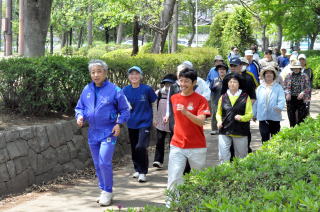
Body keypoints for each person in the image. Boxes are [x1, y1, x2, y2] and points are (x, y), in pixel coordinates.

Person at [75, 59, 130, 206]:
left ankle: (108, 191)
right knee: (97, 163)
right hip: (93, 132)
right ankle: (103, 189)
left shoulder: (115, 90)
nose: (96, 75)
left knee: (104, 161)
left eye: (99, 71)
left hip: (109, 132)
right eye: (93, 72)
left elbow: (125, 110)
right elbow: (79, 107)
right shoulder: (86, 89)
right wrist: (79, 116)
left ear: (105, 72)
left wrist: (119, 124)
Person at [166, 67, 210, 207]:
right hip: (177, 144)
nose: (183, 84)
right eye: (181, 81)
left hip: (197, 145)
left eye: (186, 81)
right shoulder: (174, 98)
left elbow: (201, 121)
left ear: (194, 82)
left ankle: (197, 205)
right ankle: (172, 205)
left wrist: (186, 112)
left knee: (198, 178)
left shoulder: (201, 100)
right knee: (174, 176)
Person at [123, 66, 157, 183]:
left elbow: (154, 103)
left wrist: (155, 117)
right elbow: (122, 105)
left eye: (136, 74)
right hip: (131, 123)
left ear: (140, 76)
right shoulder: (125, 90)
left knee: (141, 146)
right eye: (131, 74)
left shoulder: (147, 89)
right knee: (134, 148)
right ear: (129, 77)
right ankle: (137, 168)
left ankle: (143, 172)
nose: (134, 76)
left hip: (145, 122)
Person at [216, 73, 253, 164]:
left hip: (240, 131)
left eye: (235, 82)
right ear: (227, 84)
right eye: (230, 82)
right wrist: (219, 121)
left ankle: (241, 176)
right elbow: (218, 113)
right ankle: (225, 174)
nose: (232, 84)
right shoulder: (223, 97)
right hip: (224, 130)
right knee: (223, 155)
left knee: (241, 157)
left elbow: (250, 114)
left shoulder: (245, 97)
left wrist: (242, 117)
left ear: (239, 84)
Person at [253, 66, 285, 143]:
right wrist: (254, 114)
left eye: (271, 73)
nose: (268, 74)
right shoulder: (259, 88)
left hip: (275, 116)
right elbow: (255, 102)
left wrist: (279, 107)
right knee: (264, 137)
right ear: (264, 76)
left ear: (274, 75)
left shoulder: (278, 87)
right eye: (266, 73)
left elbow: (282, 99)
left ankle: (275, 154)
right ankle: (265, 154)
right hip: (262, 117)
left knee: (275, 138)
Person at [153, 74, 177, 169]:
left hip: (172, 121)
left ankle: (173, 160)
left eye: (170, 84)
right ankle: (158, 160)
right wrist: (154, 118)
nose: (168, 86)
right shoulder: (158, 93)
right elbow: (154, 105)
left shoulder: (177, 94)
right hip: (160, 121)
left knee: (173, 141)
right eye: (166, 83)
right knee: (159, 140)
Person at [284, 61, 311, 127]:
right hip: (291, 98)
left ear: (300, 68)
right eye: (294, 68)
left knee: (301, 118)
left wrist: (303, 93)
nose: (295, 69)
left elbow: (308, 87)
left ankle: (300, 131)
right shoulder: (288, 75)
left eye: (297, 68)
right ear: (292, 68)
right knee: (291, 117)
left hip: (301, 99)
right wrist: (287, 93)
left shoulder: (304, 75)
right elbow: (284, 87)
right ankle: (292, 130)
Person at [209, 63, 228, 135]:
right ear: (217, 71)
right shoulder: (214, 80)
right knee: (214, 114)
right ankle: (214, 129)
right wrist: (215, 86)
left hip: (226, 100)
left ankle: (225, 128)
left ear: (226, 71)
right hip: (215, 100)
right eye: (220, 69)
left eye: (223, 69)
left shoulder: (229, 79)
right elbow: (210, 89)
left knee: (226, 114)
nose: (221, 71)